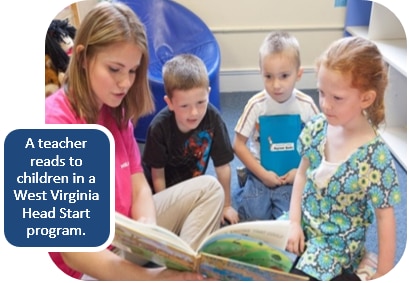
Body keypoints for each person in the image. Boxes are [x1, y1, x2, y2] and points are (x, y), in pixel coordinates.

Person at [45, 2, 224, 280]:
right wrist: (151, 277)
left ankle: (181, 271)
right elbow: (73, 252)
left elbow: (139, 183)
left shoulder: (114, 110)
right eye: (115, 69)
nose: (125, 83)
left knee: (209, 190)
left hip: (125, 236)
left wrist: (148, 232)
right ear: (82, 58)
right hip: (85, 266)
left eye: (132, 71)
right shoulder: (55, 126)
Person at [286, 36, 401, 280]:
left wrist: (384, 273)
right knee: (255, 257)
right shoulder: (318, 127)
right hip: (304, 223)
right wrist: (294, 223)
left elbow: (385, 216)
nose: (325, 105)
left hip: (336, 243)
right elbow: (302, 174)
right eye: (321, 93)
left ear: (366, 99)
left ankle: (363, 267)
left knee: (296, 277)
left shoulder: (375, 157)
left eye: (336, 98)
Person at [142, 54, 239, 225]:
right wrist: (168, 209)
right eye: (185, 106)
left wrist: (227, 205)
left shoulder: (214, 119)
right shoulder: (159, 128)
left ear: (208, 94)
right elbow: (157, 174)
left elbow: (223, 166)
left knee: (213, 202)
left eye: (201, 102)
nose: (194, 112)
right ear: (170, 103)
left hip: (195, 189)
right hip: (160, 193)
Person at [232, 31, 319, 221]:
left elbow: (322, 143)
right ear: (261, 73)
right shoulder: (256, 105)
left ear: (299, 74)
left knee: (290, 220)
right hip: (260, 173)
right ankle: (245, 182)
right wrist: (262, 174)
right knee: (254, 216)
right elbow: (238, 144)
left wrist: (301, 172)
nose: (276, 85)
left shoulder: (307, 105)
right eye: (268, 76)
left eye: (284, 75)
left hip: (293, 174)